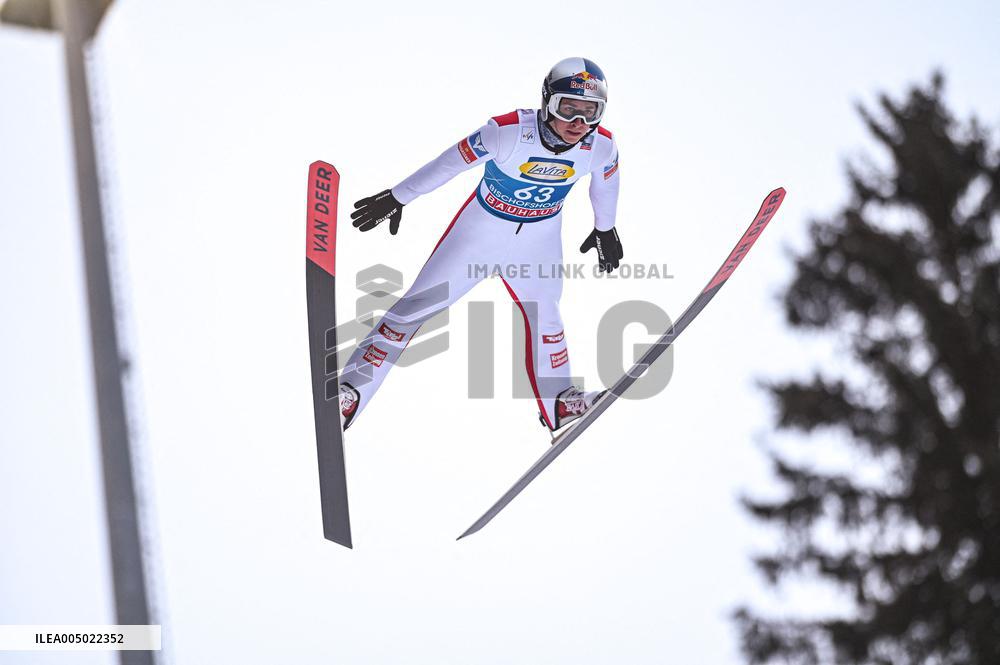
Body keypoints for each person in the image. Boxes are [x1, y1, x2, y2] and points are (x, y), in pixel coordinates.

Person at [338, 57, 623, 434]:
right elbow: (448, 164)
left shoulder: (600, 146)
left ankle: (560, 405)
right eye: (567, 108)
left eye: (590, 113)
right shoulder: (505, 132)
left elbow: (605, 184)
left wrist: (605, 229)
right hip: (478, 236)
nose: (578, 124)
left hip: (537, 244)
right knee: (413, 310)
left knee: (547, 317)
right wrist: (397, 197)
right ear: (547, 101)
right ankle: (350, 393)